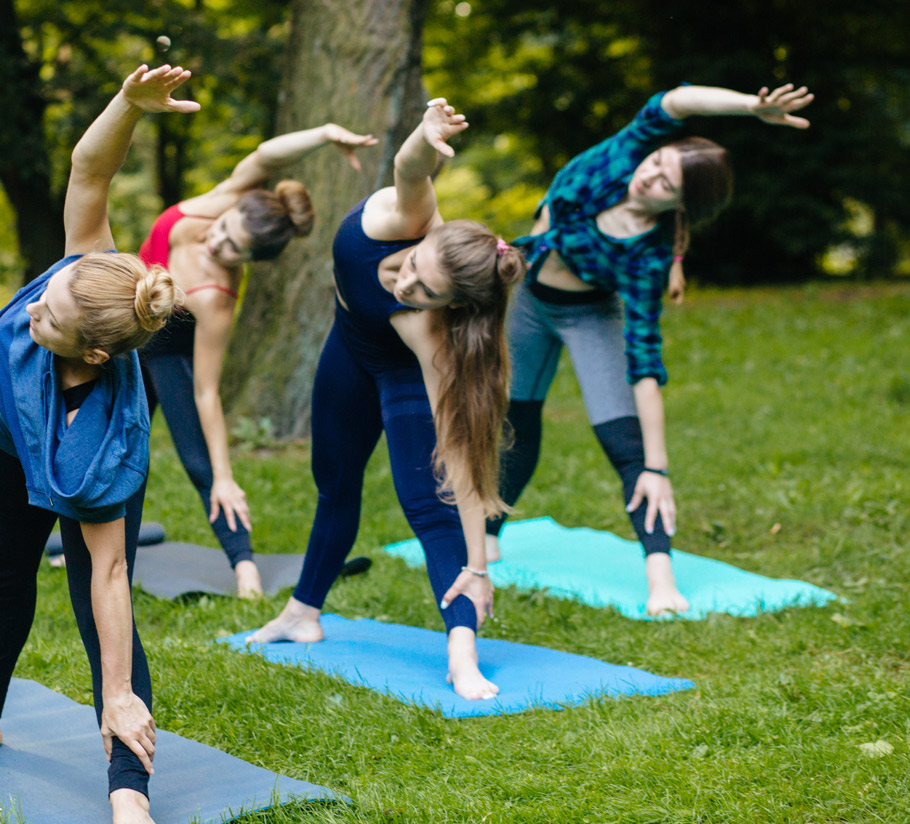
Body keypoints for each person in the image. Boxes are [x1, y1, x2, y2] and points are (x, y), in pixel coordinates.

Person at [0, 65, 194, 824]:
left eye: (49, 322)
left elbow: (112, 573)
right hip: (21, 446)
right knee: (6, 568)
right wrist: (125, 103)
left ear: (93, 355)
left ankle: (129, 787)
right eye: (45, 297)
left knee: (97, 618)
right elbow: (91, 168)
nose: (32, 317)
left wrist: (116, 696)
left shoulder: (102, 446)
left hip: (72, 462)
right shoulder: (88, 273)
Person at [486, 83, 814, 616]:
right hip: (525, 297)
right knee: (514, 418)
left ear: (681, 205)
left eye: (667, 184)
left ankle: (660, 575)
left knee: (627, 446)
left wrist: (657, 467)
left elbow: (644, 364)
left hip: (588, 314)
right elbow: (678, 100)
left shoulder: (646, 257)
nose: (649, 176)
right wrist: (751, 108)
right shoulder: (627, 152)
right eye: (657, 162)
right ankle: (487, 533)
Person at [246, 98, 525, 701]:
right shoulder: (405, 216)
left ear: (449, 306)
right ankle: (302, 612)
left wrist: (478, 567)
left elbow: (464, 463)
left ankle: (461, 650)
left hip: (396, 368)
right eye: (416, 269)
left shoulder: (431, 340)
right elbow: (411, 167)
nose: (408, 284)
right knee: (335, 483)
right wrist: (427, 134)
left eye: (427, 293)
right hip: (347, 346)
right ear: (429, 237)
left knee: (427, 503)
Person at [131, 122, 377, 597]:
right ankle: (75, 541)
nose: (216, 243)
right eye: (223, 229)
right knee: (100, 440)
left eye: (233, 249)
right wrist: (326, 133)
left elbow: (206, 393)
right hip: (125, 328)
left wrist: (225, 476)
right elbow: (266, 156)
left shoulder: (216, 299)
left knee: (201, 464)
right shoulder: (227, 200)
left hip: (165, 348)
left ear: (249, 260)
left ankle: (243, 564)